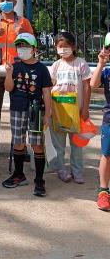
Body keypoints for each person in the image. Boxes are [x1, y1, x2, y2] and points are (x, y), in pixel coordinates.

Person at [2, 33, 52, 197]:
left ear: (34, 49)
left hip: (36, 110)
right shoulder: (15, 66)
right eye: (19, 46)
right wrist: (9, 73)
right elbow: (9, 88)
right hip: (18, 108)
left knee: (37, 144)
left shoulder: (42, 69)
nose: (22, 49)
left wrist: (48, 114)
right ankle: (18, 174)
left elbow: (46, 92)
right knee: (18, 142)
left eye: (26, 46)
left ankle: (39, 179)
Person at [0, 0, 33, 157]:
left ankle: (20, 147)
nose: (5, 2)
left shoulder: (24, 22)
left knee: (20, 109)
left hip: (18, 70)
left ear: (15, 2)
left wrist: (24, 36)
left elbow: (32, 47)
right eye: (2, 0)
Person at [49, 32, 91, 184]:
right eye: (60, 47)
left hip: (77, 112)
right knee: (58, 144)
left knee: (77, 145)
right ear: (56, 48)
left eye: (66, 46)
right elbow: (49, 87)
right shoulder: (55, 66)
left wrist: (85, 108)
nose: (63, 49)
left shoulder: (81, 64)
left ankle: (77, 171)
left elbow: (87, 86)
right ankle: (61, 169)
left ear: (73, 47)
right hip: (58, 112)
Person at [90, 35, 110, 211]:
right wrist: (100, 63)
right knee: (107, 154)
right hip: (109, 121)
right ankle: (103, 191)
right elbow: (93, 84)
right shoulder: (106, 72)